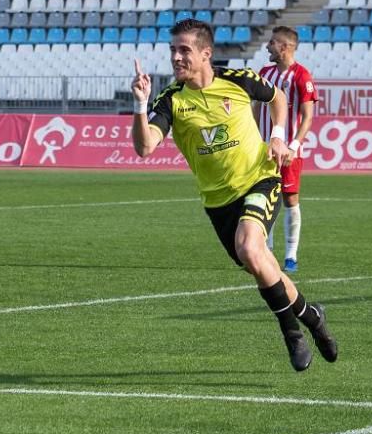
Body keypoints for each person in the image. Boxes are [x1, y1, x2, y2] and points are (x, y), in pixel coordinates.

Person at [130, 19, 337, 372]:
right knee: (261, 265)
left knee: (250, 248)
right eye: (173, 51)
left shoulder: (237, 80)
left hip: (259, 178)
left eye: (185, 50)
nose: (176, 58)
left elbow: (279, 98)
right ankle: (312, 316)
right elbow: (145, 147)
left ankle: (292, 334)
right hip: (218, 203)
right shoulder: (170, 100)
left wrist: (277, 136)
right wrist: (140, 104)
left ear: (206, 54)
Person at [256, 26, 318, 273]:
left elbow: (307, 117)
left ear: (284, 47)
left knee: (290, 200)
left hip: (290, 151)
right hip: (263, 149)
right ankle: (265, 251)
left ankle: (291, 255)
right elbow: (254, 108)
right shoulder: (264, 73)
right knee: (261, 199)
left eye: (271, 42)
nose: (267, 46)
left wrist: (294, 146)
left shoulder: (302, 75)